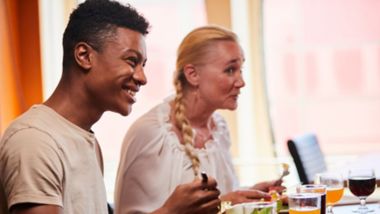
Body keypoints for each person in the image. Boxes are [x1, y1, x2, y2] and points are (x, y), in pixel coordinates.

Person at [0, 1, 220, 214]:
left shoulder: (89, 142)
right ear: (84, 56)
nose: (142, 78)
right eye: (131, 61)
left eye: (143, 65)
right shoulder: (35, 141)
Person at [114, 25, 285, 214]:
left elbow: (222, 199)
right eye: (230, 70)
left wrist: (248, 196)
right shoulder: (150, 134)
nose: (241, 82)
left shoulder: (219, 129)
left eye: (240, 70)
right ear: (192, 74)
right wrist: (224, 203)